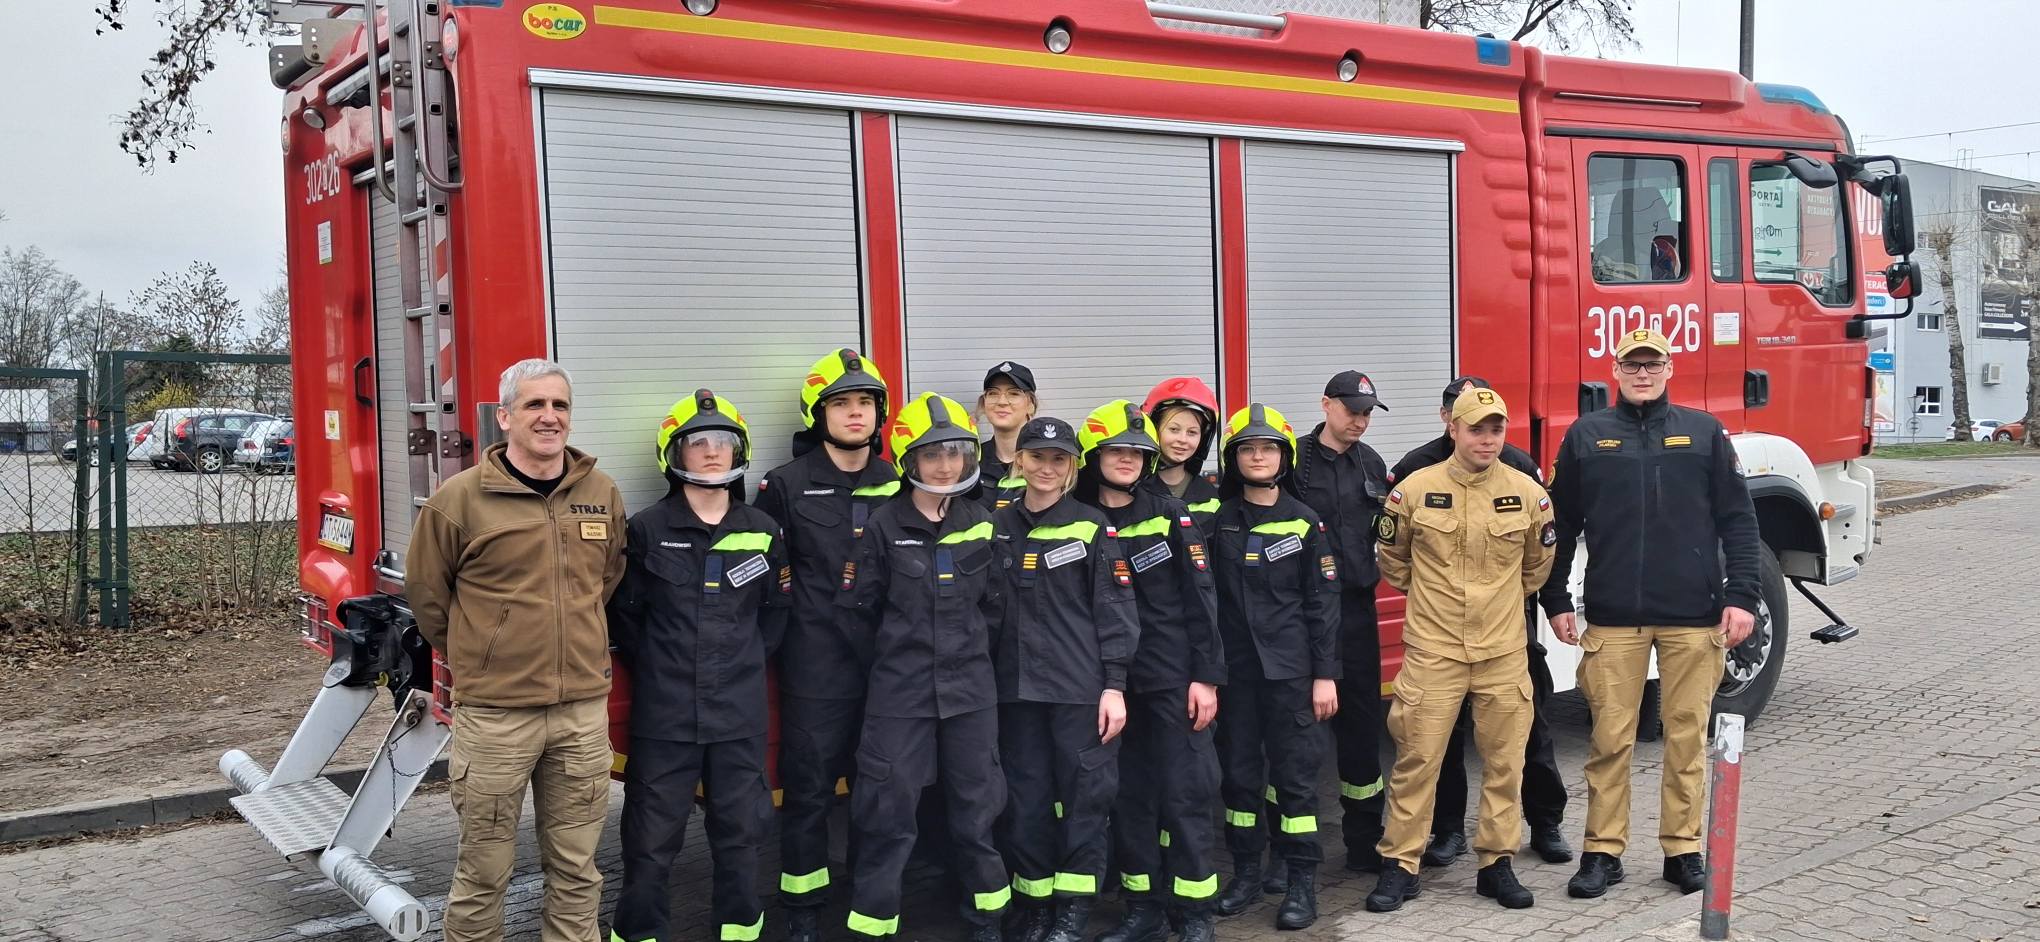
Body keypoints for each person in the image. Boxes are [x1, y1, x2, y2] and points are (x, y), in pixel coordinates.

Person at [406, 358, 626, 942]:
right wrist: (485, 652)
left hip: (581, 713)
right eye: (534, 405)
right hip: (497, 718)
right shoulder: (459, 501)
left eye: (559, 405)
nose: (549, 417)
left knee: (578, 871)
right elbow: (429, 597)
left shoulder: (601, 492)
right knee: (483, 874)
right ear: (504, 417)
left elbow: (606, 578)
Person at [1540, 328, 1761, 899]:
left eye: (1652, 363)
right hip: (1614, 618)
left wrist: (1741, 597)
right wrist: (1556, 598)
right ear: (1615, 371)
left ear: (1669, 369)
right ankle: (1602, 853)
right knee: (1609, 741)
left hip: (1693, 616)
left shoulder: (1705, 432)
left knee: (1686, 740)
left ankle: (1683, 852)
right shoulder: (1587, 435)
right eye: (1632, 364)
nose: (1643, 373)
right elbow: (1560, 525)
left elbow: (1739, 521)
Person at [606, 390, 790, 942]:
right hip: (666, 717)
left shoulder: (763, 529)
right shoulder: (646, 529)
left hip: (738, 716)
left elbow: (775, 615)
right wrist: (667, 669)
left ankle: (738, 929)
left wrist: (739, 663)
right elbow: (626, 619)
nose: (712, 452)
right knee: (649, 840)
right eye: (698, 442)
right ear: (674, 454)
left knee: (742, 834)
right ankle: (640, 931)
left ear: (739, 451)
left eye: (723, 441)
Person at [1365, 386, 1555, 913]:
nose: (1487, 439)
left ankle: (1497, 864)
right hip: (1434, 650)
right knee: (1417, 759)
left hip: (1503, 652)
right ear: (1453, 429)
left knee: (1505, 763)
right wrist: (1438, 603)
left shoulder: (1528, 493)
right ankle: (1400, 864)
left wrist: (1495, 607)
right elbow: (1393, 561)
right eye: (1476, 429)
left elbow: (1536, 567)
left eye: (1496, 429)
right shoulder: (1414, 490)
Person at [837, 393, 1010, 942]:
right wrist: (901, 659)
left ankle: (987, 920)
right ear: (909, 458)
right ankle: (873, 927)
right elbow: (858, 616)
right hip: (901, 694)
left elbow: (995, 609)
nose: (945, 465)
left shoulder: (981, 523)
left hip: (971, 694)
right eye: (932, 453)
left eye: (955, 452)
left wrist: (966, 655)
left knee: (977, 811)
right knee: (887, 815)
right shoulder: (882, 526)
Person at [754, 350, 899, 940]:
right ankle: (803, 909)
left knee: (878, 788)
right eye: (841, 403)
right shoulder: (784, 486)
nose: (855, 413)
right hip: (816, 667)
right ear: (818, 414)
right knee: (809, 790)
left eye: (865, 402)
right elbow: (764, 576)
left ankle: (869, 902)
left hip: (886, 665)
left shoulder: (899, 481)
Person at [1073, 401, 1226, 942]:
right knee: (1127, 797)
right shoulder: (1075, 518)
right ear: (1094, 456)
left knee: (1185, 794)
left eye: (1137, 453)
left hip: (1171, 677)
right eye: (1117, 451)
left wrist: (1205, 677)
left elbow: (1201, 600)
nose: (1127, 460)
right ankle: (1143, 908)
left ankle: (1195, 912)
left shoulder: (1169, 514)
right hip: (1105, 684)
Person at [991, 415, 1140, 942]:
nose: (1047, 468)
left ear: (1073, 466)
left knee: (1085, 801)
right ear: (1018, 460)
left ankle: (1073, 910)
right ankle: (1036, 905)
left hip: (1079, 689)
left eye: (1059, 459)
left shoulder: (1091, 526)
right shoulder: (995, 525)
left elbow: (1116, 610)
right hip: (1015, 691)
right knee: (1025, 801)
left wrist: (1114, 686)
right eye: (1037, 457)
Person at [1208, 403, 1340, 930]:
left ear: (1284, 457)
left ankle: (1301, 882)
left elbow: (1322, 604)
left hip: (1292, 674)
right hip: (1237, 675)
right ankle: (1245, 874)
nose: (1258, 457)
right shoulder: (1218, 522)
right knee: (1239, 779)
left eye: (1267, 448)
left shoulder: (1304, 521)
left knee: (1296, 780)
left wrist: (1325, 675)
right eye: (1247, 449)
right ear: (1233, 459)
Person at [1283, 370, 1390, 876]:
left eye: (1367, 413)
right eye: (1351, 410)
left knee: (1362, 729)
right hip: (1301, 615)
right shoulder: (1292, 462)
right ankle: (1288, 853)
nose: (1360, 421)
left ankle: (1364, 842)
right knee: (1297, 735)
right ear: (1326, 404)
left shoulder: (1373, 463)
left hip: (1357, 613)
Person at [1140, 377, 1223, 528]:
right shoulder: (1133, 492)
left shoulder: (1210, 498)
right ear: (1153, 428)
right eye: (1174, 429)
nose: (1183, 439)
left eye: (1192, 432)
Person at [976, 361, 1038, 511]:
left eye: (1014, 393)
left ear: (1030, 405)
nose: (1002, 402)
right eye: (993, 393)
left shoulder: (1047, 462)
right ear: (984, 403)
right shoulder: (971, 462)